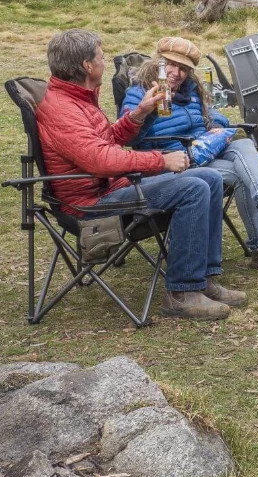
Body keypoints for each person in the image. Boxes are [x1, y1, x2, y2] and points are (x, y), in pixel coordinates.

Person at [35, 29, 246, 321]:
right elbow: (100, 159)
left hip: (111, 188)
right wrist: (160, 161)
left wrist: (140, 113)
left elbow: (105, 141)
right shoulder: (63, 109)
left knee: (209, 179)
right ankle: (181, 294)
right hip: (93, 204)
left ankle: (204, 280)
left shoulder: (79, 98)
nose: (104, 63)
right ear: (86, 66)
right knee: (194, 188)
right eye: (101, 57)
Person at [120, 37, 258, 272]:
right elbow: (129, 139)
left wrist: (215, 123)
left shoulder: (191, 89)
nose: (177, 73)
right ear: (159, 64)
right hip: (173, 161)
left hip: (204, 149)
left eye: (184, 69)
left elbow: (212, 111)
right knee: (241, 176)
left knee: (245, 146)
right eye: (171, 65)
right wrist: (148, 112)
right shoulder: (139, 93)